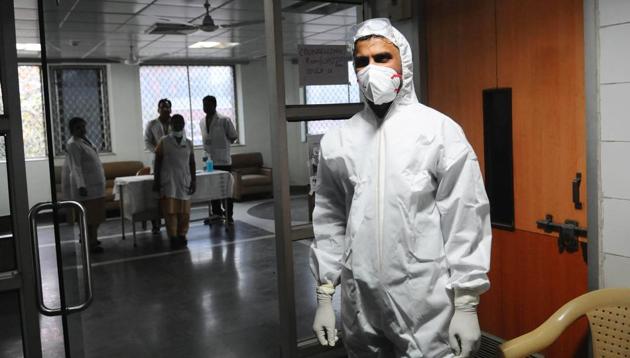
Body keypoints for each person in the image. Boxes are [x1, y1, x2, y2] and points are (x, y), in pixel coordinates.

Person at [310, 18, 492, 358]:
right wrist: (324, 295)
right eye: (361, 62)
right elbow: (330, 219)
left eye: (382, 58)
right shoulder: (339, 140)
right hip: (359, 298)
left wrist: (466, 303)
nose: (371, 69)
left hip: (425, 300)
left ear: (403, 63)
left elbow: (465, 217)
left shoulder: (438, 131)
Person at [62, 117, 106, 254]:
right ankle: (91, 243)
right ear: (72, 130)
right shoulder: (73, 144)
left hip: (96, 185)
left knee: (96, 216)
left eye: (83, 127)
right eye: (78, 128)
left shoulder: (84, 140)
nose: (82, 130)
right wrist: (81, 185)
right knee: (90, 217)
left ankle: (90, 238)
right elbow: (76, 167)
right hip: (87, 186)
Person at [152, 114, 196, 247]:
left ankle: (182, 234)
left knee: (184, 212)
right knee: (170, 212)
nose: (178, 124)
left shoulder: (188, 142)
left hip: (184, 181)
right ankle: (173, 236)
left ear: (183, 124)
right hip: (169, 182)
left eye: (180, 122)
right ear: (170, 124)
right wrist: (156, 180)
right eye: (174, 122)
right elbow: (157, 163)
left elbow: (192, 163)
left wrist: (194, 180)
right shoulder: (163, 142)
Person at [199, 95, 238, 225]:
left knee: (225, 188)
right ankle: (216, 213)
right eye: (203, 105)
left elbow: (233, 136)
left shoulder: (224, 120)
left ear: (214, 105)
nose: (205, 107)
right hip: (209, 161)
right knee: (213, 188)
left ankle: (229, 215)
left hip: (223, 161)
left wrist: (221, 145)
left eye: (207, 105)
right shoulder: (201, 122)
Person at [144, 98, 172, 234]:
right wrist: (157, 150)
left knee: (170, 193)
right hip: (158, 160)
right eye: (162, 107)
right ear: (158, 109)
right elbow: (147, 141)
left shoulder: (176, 122)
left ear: (170, 109)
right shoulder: (152, 124)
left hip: (173, 161)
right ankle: (155, 222)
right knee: (157, 193)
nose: (165, 109)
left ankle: (170, 219)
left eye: (167, 107)